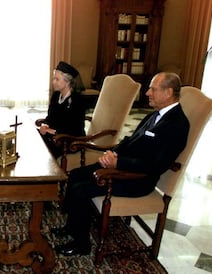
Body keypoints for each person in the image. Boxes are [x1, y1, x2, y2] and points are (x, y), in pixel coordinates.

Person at [52, 72, 190, 256]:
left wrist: (119, 163)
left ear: (168, 92)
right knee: (76, 174)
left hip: (138, 179)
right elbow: (131, 140)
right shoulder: (155, 115)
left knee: (80, 189)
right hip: (123, 165)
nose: (147, 93)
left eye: (153, 89)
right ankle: (72, 227)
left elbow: (155, 166)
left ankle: (82, 244)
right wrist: (113, 154)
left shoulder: (177, 124)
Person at [38, 61, 86, 158]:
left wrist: (53, 131)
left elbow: (75, 129)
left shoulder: (77, 101)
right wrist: (45, 125)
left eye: (57, 79)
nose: (53, 82)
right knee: (36, 140)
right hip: (54, 136)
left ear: (67, 81)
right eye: (53, 79)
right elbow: (50, 117)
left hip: (70, 140)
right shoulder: (56, 96)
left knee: (43, 151)